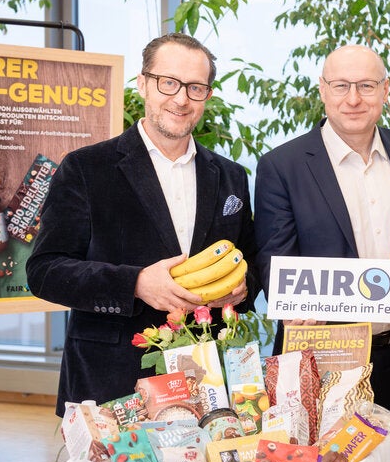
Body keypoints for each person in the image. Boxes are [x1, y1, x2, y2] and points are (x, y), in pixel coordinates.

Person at [27, 33, 256, 416]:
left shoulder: (230, 176)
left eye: (195, 88)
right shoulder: (86, 168)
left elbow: (249, 256)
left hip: (208, 383)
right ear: (143, 84)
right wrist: (133, 283)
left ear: (207, 96)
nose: (181, 99)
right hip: (112, 383)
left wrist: (244, 289)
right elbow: (44, 271)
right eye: (168, 82)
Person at [253, 44, 390, 426]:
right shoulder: (281, 166)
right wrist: (292, 302)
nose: (353, 99)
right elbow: (274, 261)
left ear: (385, 91)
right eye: (341, 86)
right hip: (325, 357)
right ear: (322, 89)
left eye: (367, 86)